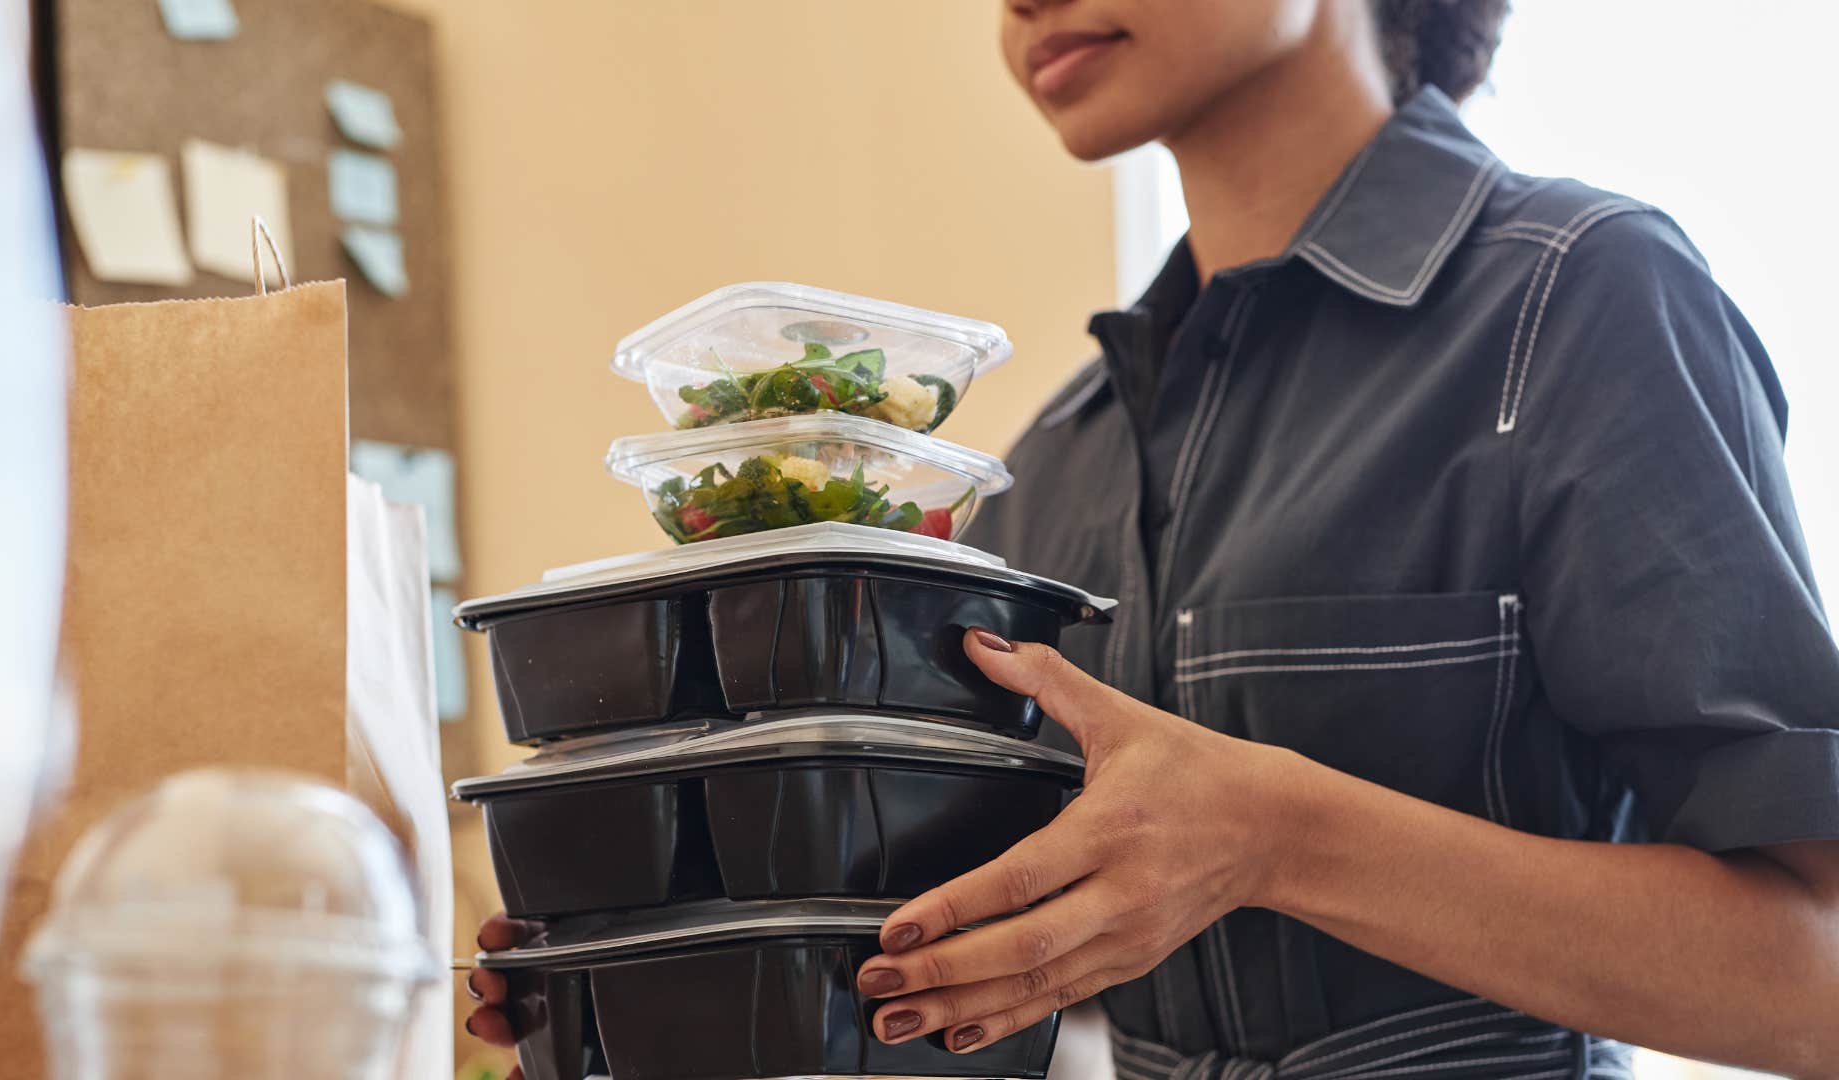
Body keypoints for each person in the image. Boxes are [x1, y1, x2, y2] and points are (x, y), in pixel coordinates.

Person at [470, 1, 1839, 1075]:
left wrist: (1280, 835)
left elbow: (1816, 979)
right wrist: (647, 965)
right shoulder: (1052, 465)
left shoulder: (1584, 303)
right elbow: (973, 980)